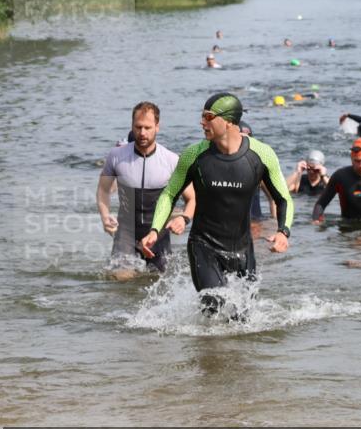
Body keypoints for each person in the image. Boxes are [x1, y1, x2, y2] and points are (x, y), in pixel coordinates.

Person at [139, 93, 294, 317]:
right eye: (202, 116)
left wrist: (283, 232)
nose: (202, 122)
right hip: (204, 246)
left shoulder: (261, 154)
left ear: (229, 121)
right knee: (214, 307)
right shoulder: (194, 155)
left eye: (208, 117)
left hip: (242, 249)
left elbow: (283, 198)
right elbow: (169, 193)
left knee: (243, 318)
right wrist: (155, 229)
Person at [98, 102, 195, 278]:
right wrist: (105, 216)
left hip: (158, 235)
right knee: (121, 278)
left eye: (147, 127)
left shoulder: (172, 160)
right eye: (138, 127)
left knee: (159, 282)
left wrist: (184, 218)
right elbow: (103, 190)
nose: (142, 133)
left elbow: (192, 198)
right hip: (126, 231)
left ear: (157, 127)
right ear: (132, 126)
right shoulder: (116, 156)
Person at [240, 121, 277, 223]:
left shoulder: (258, 166)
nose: (246, 143)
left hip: (256, 223)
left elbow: (274, 198)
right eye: (242, 139)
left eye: (249, 139)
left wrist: (275, 224)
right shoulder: (223, 165)